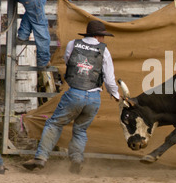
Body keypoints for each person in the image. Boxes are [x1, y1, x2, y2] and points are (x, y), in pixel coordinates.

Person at [23, 20, 120, 173]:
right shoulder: (104, 51)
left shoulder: (72, 44)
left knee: (55, 124)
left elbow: (70, 62)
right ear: (98, 36)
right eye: (102, 36)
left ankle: (41, 158)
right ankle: (76, 159)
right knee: (80, 129)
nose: (103, 39)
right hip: (94, 96)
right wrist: (116, 95)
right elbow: (109, 79)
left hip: (75, 92)